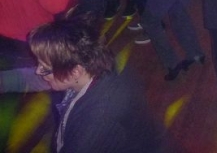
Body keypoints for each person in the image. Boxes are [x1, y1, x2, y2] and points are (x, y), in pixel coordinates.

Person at [28, 14, 165, 152]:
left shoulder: (95, 120)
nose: (38, 71)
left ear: (75, 72)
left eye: (45, 68)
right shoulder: (94, 62)